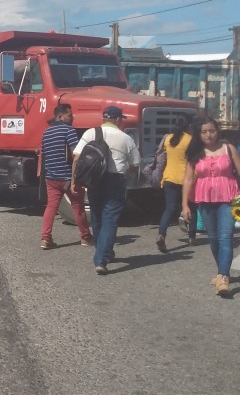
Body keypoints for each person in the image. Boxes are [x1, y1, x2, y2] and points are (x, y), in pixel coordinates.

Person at [71, 105, 140, 275]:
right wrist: (125, 174)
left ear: (104, 118)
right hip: (115, 180)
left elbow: (77, 157)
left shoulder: (90, 133)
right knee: (111, 218)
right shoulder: (125, 138)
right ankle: (101, 259)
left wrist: (74, 181)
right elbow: (135, 164)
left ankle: (105, 252)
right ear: (117, 120)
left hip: (94, 180)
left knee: (97, 215)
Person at [181, 116, 240, 297]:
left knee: (225, 237)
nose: (209, 135)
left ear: (217, 131)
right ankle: (222, 270)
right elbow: (188, 179)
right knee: (213, 239)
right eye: (204, 131)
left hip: (228, 199)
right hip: (204, 200)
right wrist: (185, 205)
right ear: (199, 134)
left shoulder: (228, 148)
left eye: (212, 130)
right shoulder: (196, 153)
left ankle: (223, 277)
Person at [40, 103, 93, 249]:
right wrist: (76, 176)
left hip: (51, 177)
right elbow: (75, 154)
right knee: (78, 206)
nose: (72, 117)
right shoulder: (68, 131)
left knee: (51, 207)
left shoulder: (46, 132)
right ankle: (85, 237)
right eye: (70, 115)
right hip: (68, 177)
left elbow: (44, 155)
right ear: (60, 116)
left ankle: (45, 239)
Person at [155, 115, 192, 252]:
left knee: (169, 208)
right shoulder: (189, 140)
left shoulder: (168, 139)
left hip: (169, 177)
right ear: (188, 127)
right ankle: (191, 236)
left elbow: (160, 154)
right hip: (185, 179)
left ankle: (161, 234)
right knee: (189, 206)